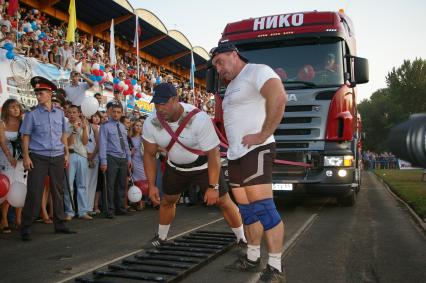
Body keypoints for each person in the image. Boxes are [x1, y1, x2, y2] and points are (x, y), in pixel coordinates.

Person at [211, 42, 287, 282]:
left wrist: (263, 134)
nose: (218, 69)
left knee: (263, 207)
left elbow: (279, 96)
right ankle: (252, 258)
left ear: (234, 55)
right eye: (215, 66)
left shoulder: (257, 70)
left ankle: (275, 269)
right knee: (247, 210)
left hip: (257, 149)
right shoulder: (232, 85)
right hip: (235, 155)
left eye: (220, 62)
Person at [142, 83, 246, 248]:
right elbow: (148, 154)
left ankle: (242, 239)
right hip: (175, 167)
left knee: (223, 201)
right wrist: (151, 185)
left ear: (176, 99)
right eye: (156, 104)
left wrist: (213, 186)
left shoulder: (199, 118)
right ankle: (161, 238)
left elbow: (213, 154)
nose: (159, 108)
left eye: (164, 103)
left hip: (203, 167)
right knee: (167, 201)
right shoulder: (150, 122)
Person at [20, 76, 76, 241]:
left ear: (50, 93)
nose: (38, 96)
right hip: (38, 157)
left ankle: (60, 224)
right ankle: (26, 227)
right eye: (37, 93)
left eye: (41, 92)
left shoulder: (60, 114)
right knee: (34, 192)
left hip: (58, 156)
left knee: (58, 191)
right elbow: (25, 137)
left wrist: (66, 153)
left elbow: (63, 136)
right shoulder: (32, 115)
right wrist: (26, 156)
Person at [99, 103, 132, 218]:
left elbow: (126, 144)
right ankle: (109, 210)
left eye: (118, 112)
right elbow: (102, 144)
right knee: (110, 185)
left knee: (122, 184)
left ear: (122, 113)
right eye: (114, 112)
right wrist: (103, 161)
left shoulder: (123, 127)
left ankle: (120, 208)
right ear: (110, 112)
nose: (116, 114)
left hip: (123, 158)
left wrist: (129, 158)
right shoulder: (105, 126)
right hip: (111, 157)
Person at [63, 105, 92, 220]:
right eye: (69, 112)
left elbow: (85, 142)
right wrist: (74, 131)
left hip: (82, 156)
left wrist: (84, 129)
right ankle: (69, 212)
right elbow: (68, 143)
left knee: (82, 185)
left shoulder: (84, 125)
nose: (72, 115)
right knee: (68, 185)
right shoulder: (65, 126)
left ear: (79, 113)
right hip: (70, 155)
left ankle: (83, 211)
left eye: (74, 112)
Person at [0, 99, 24, 233]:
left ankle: (18, 219)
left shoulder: (23, 123)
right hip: (5, 160)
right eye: (12, 107)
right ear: (6, 110)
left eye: (17, 107)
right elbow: (2, 142)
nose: (15, 109)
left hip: (20, 160)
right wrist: (9, 157)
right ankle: (4, 219)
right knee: (7, 188)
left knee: (20, 186)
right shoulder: (1, 123)